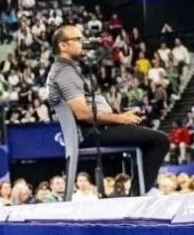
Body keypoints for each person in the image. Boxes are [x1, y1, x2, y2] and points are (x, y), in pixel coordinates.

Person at [46, 25, 170, 199]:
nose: (83, 43)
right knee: (160, 140)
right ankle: (138, 196)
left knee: (146, 135)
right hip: (91, 133)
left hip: (94, 129)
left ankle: (139, 192)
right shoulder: (64, 72)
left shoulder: (64, 70)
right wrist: (120, 118)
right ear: (63, 45)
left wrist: (121, 115)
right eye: (78, 39)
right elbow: (83, 113)